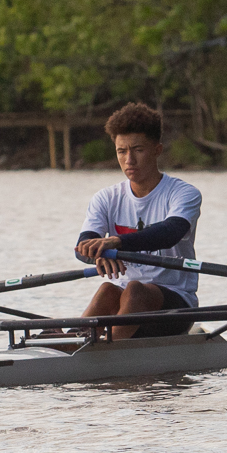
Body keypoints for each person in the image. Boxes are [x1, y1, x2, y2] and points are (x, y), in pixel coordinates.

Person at [71, 102, 202, 340]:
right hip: (123, 303)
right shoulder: (106, 198)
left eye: (138, 150)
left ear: (157, 149)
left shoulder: (183, 193)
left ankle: (99, 354)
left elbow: (171, 232)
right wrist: (95, 253)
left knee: (134, 290)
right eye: (122, 151)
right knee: (107, 290)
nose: (129, 160)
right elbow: (84, 245)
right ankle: (70, 344)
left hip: (175, 305)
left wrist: (115, 243)